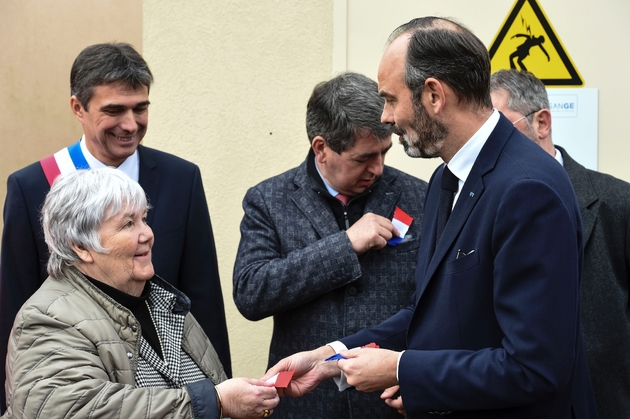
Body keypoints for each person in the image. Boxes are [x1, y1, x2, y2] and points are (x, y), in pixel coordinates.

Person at [264, 17, 598, 418]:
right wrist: (331, 357)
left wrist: (402, 369)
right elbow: (433, 314)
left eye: (390, 99)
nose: (386, 117)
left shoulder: (527, 189)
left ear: (434, 95)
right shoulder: (446, 177)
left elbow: (535, 368)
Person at [0, 42, 231, 411]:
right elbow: (15, 306)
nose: (130, 124)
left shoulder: (180, 178)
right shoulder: (33, 186)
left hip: (176, 390)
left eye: (140, 108)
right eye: (114, 110)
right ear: (78, 108)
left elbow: (201, 297)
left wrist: (221, 397)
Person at [2, 168, 278, 419]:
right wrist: (214, 402)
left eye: (144, 219)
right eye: (127, 224)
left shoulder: (165, 303)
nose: (147, 233)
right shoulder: (47, 318)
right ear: (81, 247)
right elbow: (71, 410)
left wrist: (261, 392)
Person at [232, 72, 427, 418]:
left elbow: (433, 302)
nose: (378, 169)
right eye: (363, 158)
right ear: (321, 148)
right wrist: (345, 246)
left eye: (384, 152)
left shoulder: (421, 196)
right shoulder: (268, 200)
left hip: (392, 403)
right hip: (308, 402)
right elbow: (252, 292)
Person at [490, 68, 630, 419]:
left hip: (605, 401)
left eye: (502, 127)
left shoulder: (617, 201)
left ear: (542, 122)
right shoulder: (480, 206)